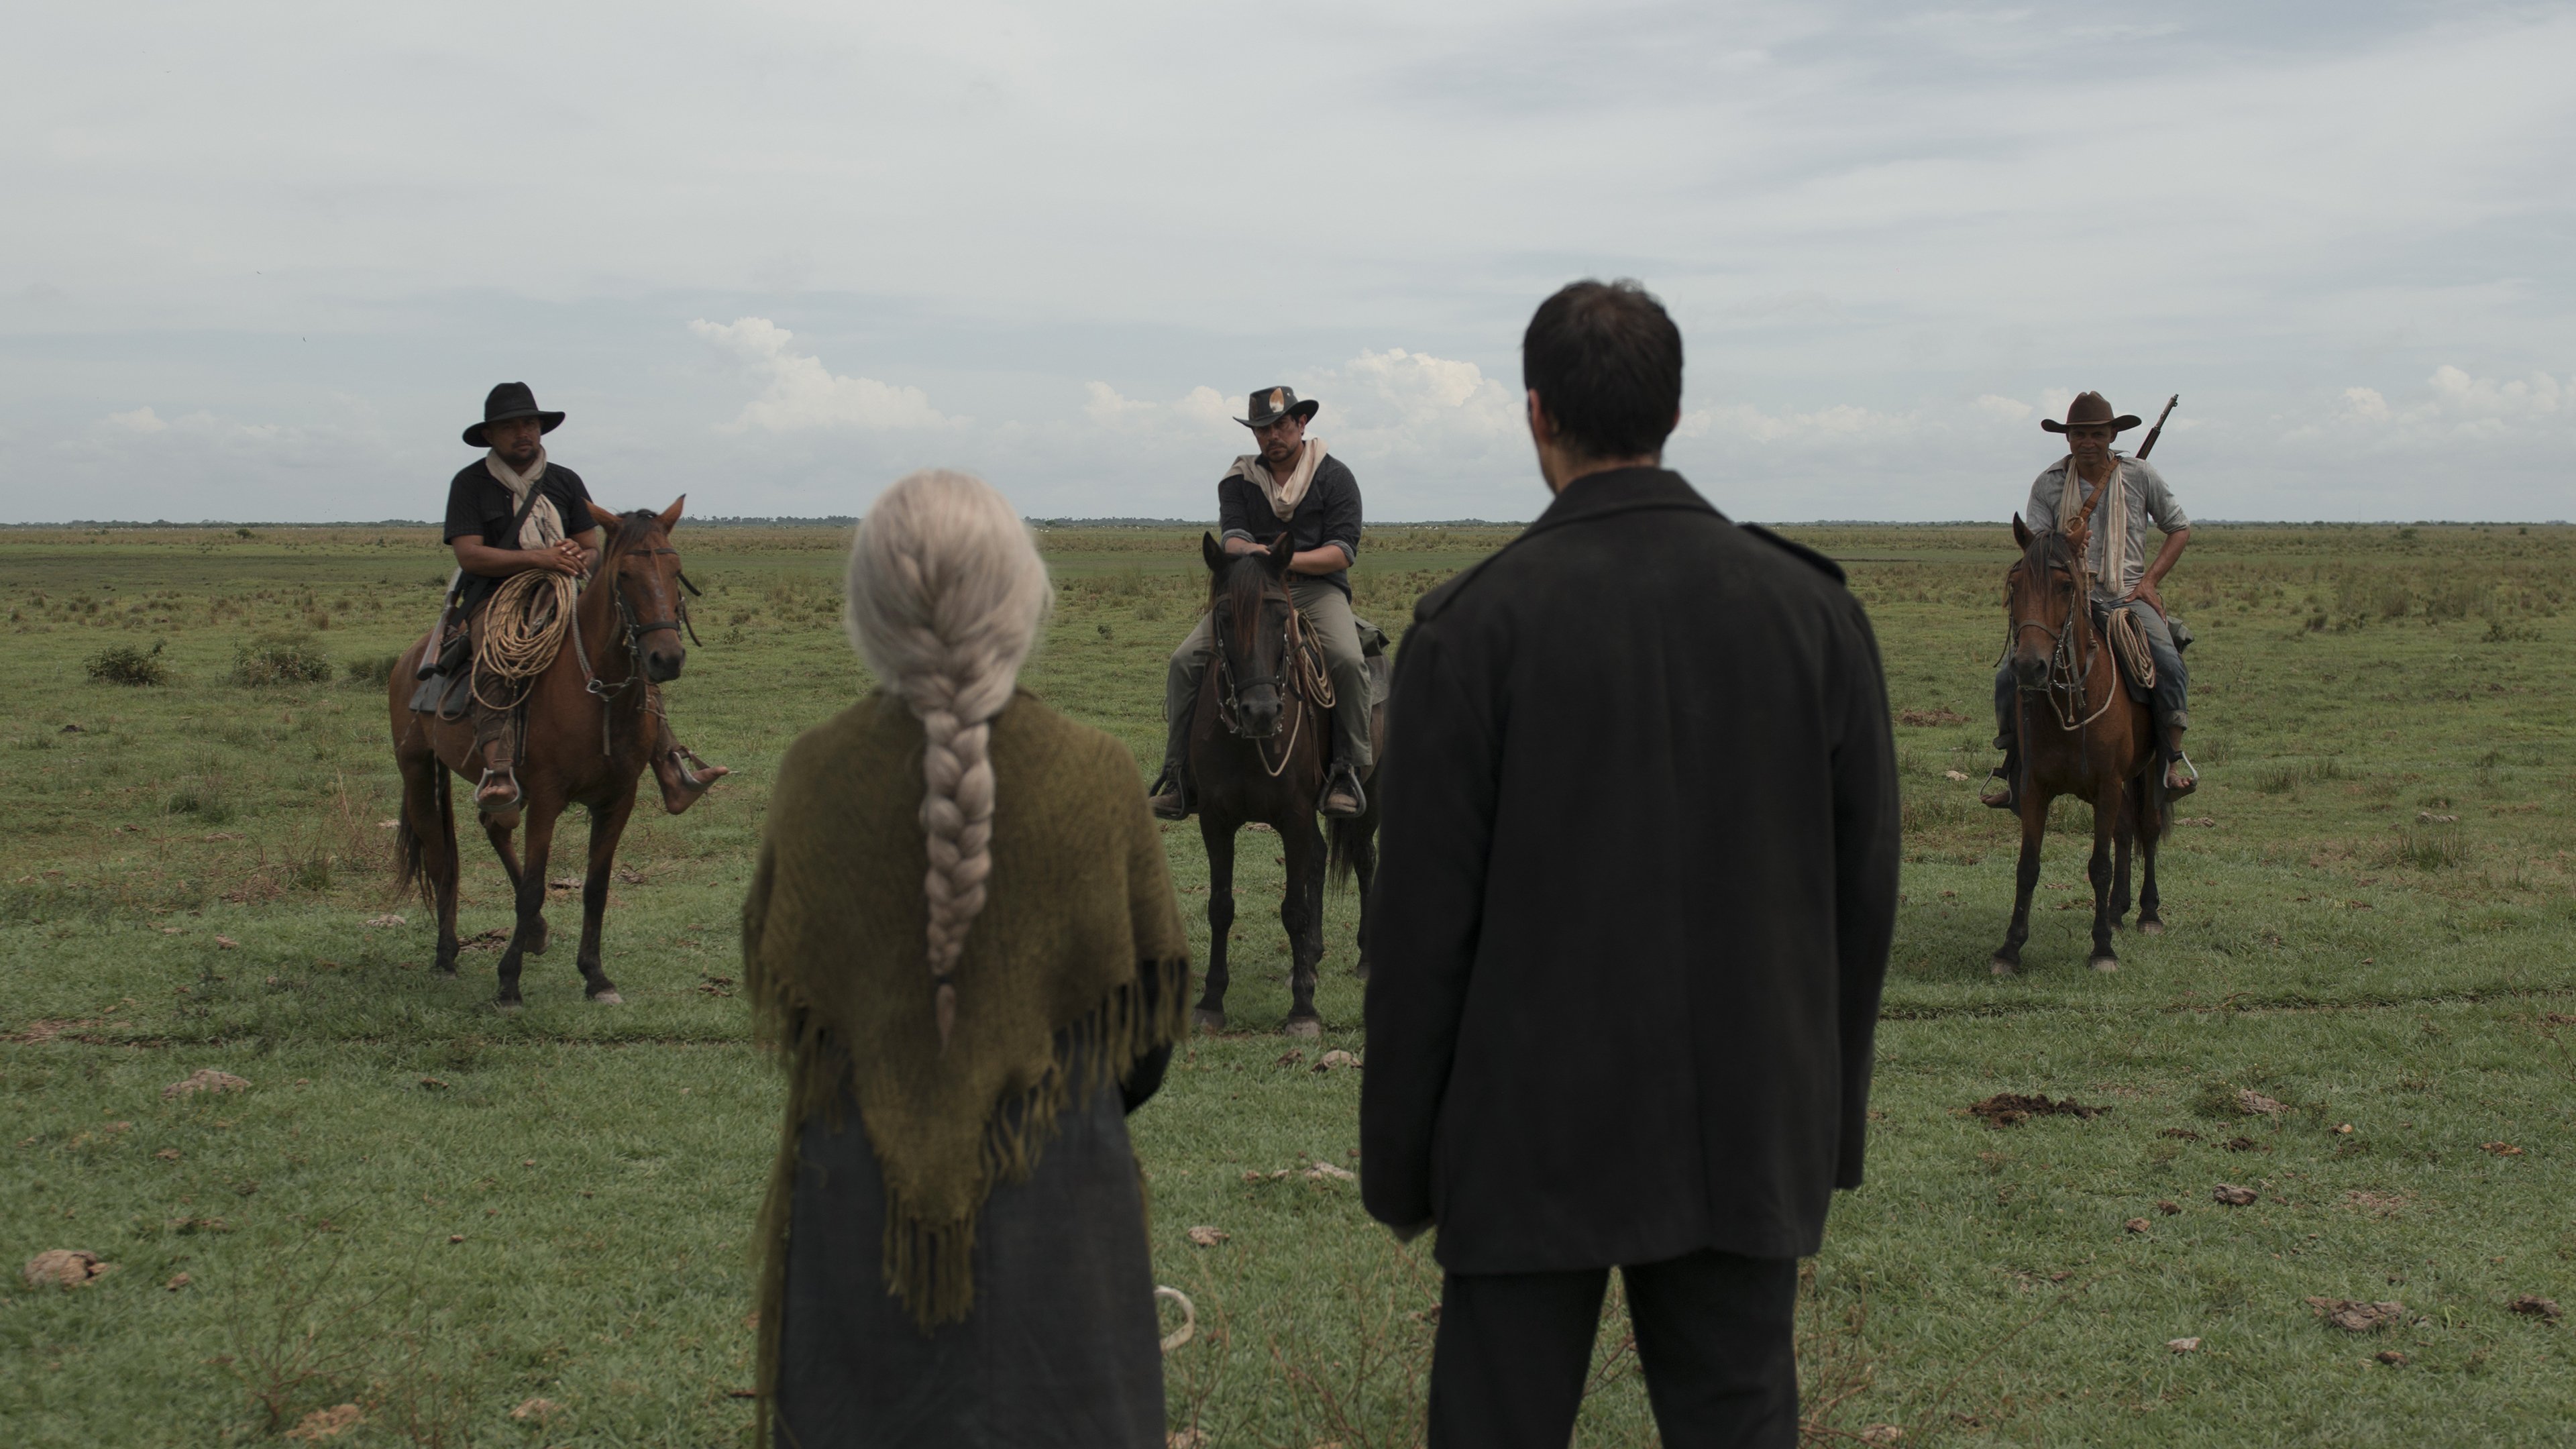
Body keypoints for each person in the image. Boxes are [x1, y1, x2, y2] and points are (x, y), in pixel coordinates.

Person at [1359, 280, 1900, 1449]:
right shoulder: (1813, 615)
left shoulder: (1470, 631)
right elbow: (1862, 904)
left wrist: (1401, 1167)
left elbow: (1417, 935)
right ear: (1674, 411)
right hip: (1746, 1125)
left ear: (1536, 414)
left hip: (1522, 1134)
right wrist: (1820, 1128)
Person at [743, 469, 1191, 1448]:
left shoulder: (814, 774)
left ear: (870, 607)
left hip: (857, 1210)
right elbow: (1146, 1042)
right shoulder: (1098, 774)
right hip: (1059, 1203)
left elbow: (793, 1002)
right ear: (1022, 595)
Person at [437, 382, 729, 814]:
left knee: (630, 652)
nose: (523, 432)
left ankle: (670, 766)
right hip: (497, 596)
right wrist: (540, 557)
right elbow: (470, 554)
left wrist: (575, 555)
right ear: (489, 435)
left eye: (530, 423)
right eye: (511, 426)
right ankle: (499, 770)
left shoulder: (564, 481)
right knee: (495, 656)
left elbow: (592, 550)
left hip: (563, 590)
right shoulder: (470, 483)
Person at [1146, 386, 1373, 819]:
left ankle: (1348, 769)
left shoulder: (1335, 476)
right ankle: (1177, 775)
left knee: (1347, 660)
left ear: (1301, 423)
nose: (1272, 436)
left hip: (1317, 589)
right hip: (1252, 592)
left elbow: (1342, 552)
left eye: (1280, 425)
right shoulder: (1239, 479)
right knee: (1184, 661)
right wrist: (1262, 560)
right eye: (1262, 429)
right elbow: (1232, 539)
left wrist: (1281, 560)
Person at [1980, 392, 2194, 809]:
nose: (2088, 442)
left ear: (2112, 434)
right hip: (2067, 600)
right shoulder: (2048, 483)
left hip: (2126, 597)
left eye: (2097, 434)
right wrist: (2068, 550)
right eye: (2079, 434)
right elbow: (2038, 549)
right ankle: (2014, 765)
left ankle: (2172, 760)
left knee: (2168, 663)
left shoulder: (2140, 475)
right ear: (2068, 438)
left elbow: (2179, 527)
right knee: (2010, 676)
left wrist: (2150, 582)